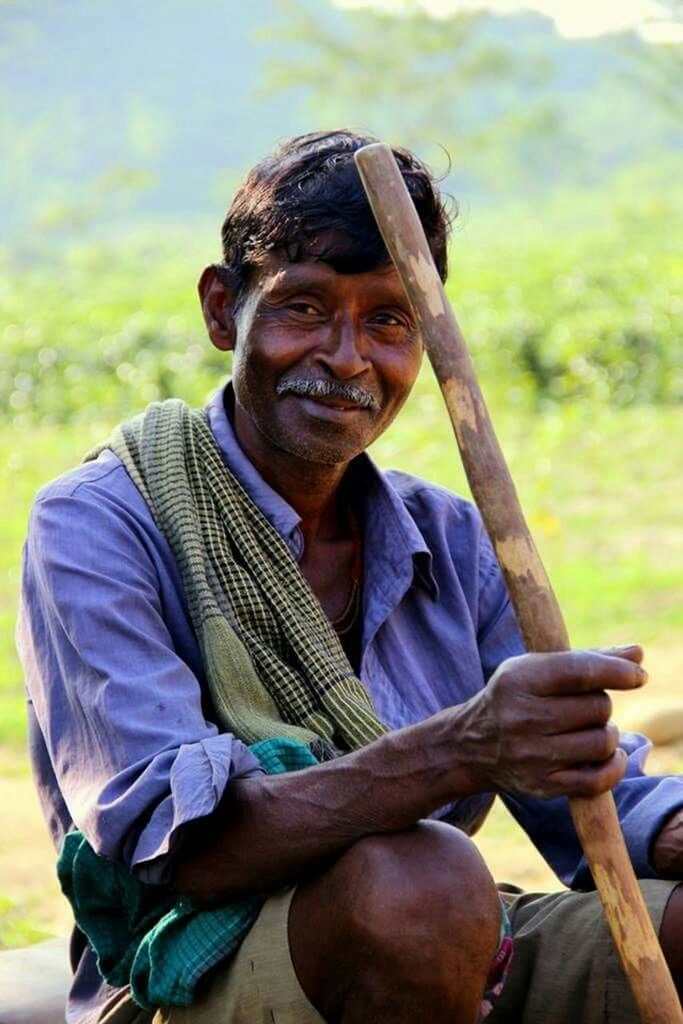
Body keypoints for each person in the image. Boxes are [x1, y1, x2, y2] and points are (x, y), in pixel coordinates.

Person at [18, 130, 682, 1024]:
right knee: (424, 882)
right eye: (304, 308)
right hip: (187, 964)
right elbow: (184, 853)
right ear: (223, 311)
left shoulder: (447, 535)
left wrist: (664, 824)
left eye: (389, 319)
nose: (347, 357)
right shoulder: (101, 519)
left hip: (444, 935)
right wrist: (459, 746)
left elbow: (587, 798)